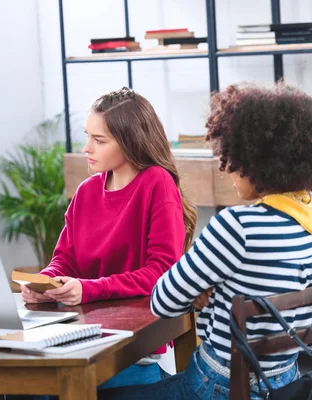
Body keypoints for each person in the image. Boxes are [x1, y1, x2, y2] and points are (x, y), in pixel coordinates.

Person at [99, 82, 312, 400]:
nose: (228, 171)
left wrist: (206, 295)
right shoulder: (306, 225)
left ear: (249, 161)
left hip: (216, 387)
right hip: (284, 383)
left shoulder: (237, 226)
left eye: (231, 159)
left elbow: (164, 300)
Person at [20, 87, 197, 389]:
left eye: (99, 140)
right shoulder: (87, 191)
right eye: (87, 136)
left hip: (134, 347)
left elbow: (162, 273)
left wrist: (87, 290)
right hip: (79, 333)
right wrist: (44, 283)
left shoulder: (157, 183)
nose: (87, 147)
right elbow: (65, 260)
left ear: (130, 143)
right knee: (21, 386)